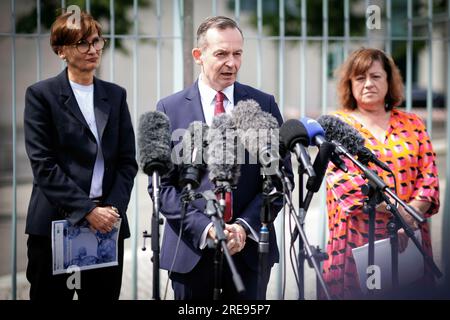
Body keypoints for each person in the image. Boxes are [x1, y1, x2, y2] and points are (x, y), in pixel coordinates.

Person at [150, 16, 291, 300]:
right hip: (191, 252)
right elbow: (161, 188)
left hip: (249, 252)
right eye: (222, 54)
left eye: (237, 53)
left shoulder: (263, 105)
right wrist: (205, 228)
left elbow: (280, 178)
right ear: (198, 55)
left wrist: (243, 227)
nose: (232, 63)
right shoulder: (169, 108)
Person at [24, 10, 138, 300]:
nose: (93, 50)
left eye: (96, 41)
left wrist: (110, 209)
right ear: (61, 50)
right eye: (82, 43)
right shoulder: (41, 95)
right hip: (55, 223)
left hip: (106, 224)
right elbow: (43, 164)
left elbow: (127, 161)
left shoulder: (115, 95)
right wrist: (86, 210)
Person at [322, 47, 440, 299]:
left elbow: (429, 178)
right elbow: (349, 190)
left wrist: (410, 216)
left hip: (410, 241)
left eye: (376, 76)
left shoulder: (413, 123)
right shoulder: (336, 125)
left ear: (389, 81)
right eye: (360, 78)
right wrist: (401, 214)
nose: (368, 84)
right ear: (349, 84)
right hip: (356, 244)